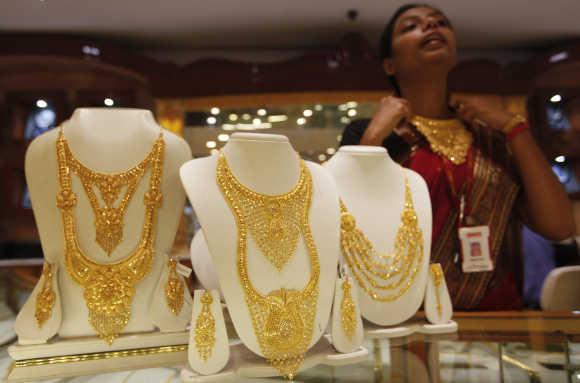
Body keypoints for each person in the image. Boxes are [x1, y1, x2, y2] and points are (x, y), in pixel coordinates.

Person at [340, 4, 575, 310]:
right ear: (389, 65)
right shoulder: (370, 135)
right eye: (411, 26)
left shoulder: (489, 138)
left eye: (441, 23)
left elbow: (560, 227)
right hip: (404, 319)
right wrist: (374, 137)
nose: (431, 27)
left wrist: (515, 128)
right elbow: (346, 226)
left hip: (497, 325)